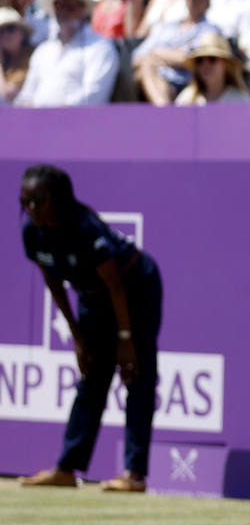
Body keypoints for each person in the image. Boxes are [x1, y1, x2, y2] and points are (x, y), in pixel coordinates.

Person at [17, 165, 163, 492]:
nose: (31, 209)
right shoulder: (32, 232)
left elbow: (116, 287)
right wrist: (78, 336)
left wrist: (126, 339)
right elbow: (53, 281)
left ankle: (135, 475)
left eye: (38, 201)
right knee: (92, 379)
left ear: (57, 199)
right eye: (25, 202)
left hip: (134, 289)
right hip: (92, 297)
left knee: (136, 373)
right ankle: (67, 469)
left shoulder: (85, 229)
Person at [14, 0, 118, 107]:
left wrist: (55, 113)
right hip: (36, 122)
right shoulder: (43, 50)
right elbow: (27, 94)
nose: (64, 11)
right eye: (59, 5)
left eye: (71, 5)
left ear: (83, 9)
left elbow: (93, 96)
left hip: (78, 123)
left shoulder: (100, 47)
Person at [174, 32, 250, 104]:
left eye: (212, 59)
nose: (205, 65)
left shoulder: (240, 100)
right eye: (199, 60)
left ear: (226, 64)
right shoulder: (187, 98)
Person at [0, 8, 34, 104]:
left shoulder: (31, 57)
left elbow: (7, 94)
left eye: (10, 28)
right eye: (1, 31)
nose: (6, 34)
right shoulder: (6, 59)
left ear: (23, 33)